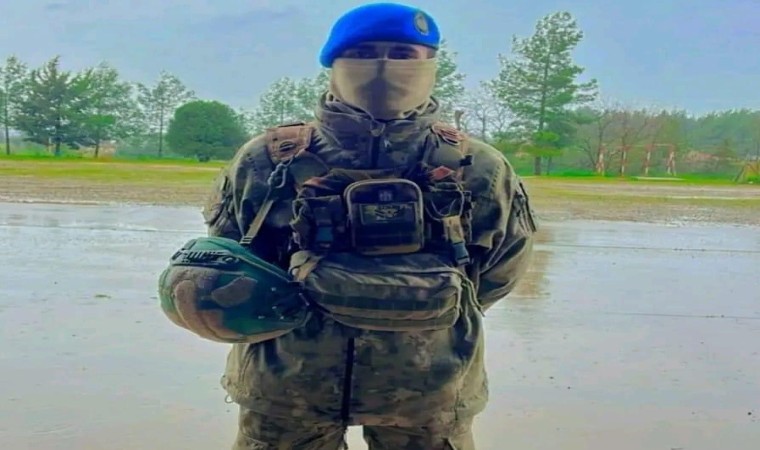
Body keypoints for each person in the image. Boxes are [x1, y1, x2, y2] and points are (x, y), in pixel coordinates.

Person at [158, 2, 537, 449]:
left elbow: (500, 268)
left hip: (428, 388)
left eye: (402, 54)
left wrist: (428, 322)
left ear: (431, 63)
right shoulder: (267, 158)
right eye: (363, 53)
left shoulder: (479, 166)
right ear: (333, 64)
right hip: (287, 384)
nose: (383, 65)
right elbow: (227, 257)